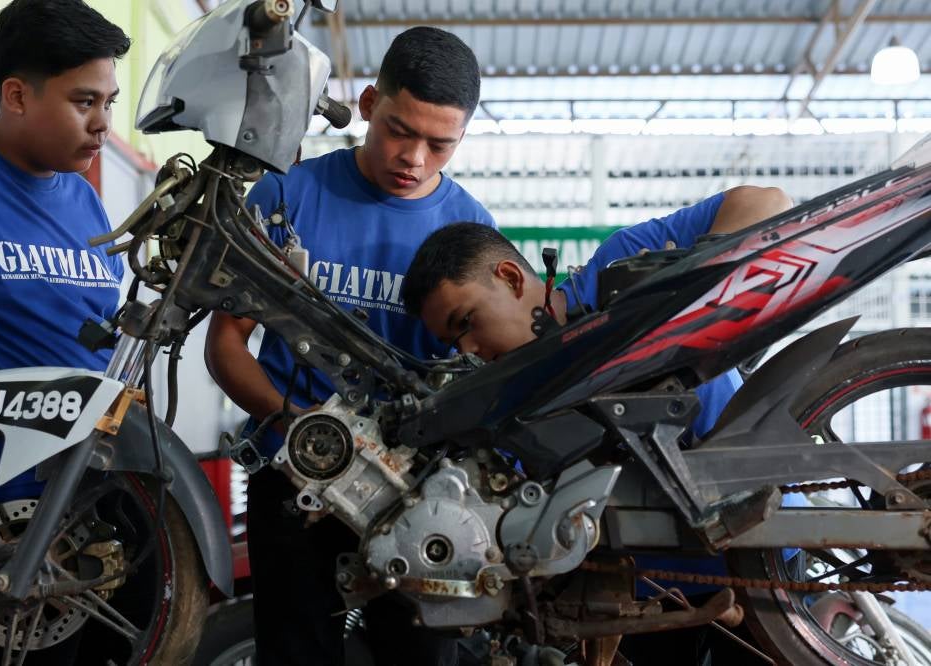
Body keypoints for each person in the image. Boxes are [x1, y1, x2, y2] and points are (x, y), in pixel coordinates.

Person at [401, 186, 794, 665]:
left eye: (467, 322)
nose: (468, 351)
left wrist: (701, 271)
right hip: (656, 606)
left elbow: (766, 200)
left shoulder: (619, 270)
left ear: (509, 277)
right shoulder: (507, 420)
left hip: (768, 555)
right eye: (453, 340)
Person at [205, 26, 495, 666]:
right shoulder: (287, 197)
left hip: (413, 490)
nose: (414, 157)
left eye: (439, 144)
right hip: (294, 473)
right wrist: (298, 428)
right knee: (294, 651)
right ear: (368, 105)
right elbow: (226, 346)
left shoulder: (469, 231)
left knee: (417, 654)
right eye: (400, 129)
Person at [0, 0, 129, 662]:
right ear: (16, 93)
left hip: (67, 518)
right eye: (83, 101)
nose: (103, 123)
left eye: (110, 101)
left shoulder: (85, 200)